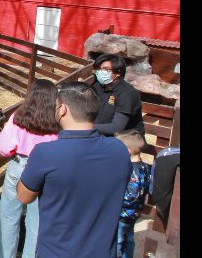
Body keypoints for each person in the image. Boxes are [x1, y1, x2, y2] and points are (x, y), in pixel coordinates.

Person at [18, 82, 131, 258]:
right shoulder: (120, 150)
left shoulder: (45, 153)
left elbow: (24, 196)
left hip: (55, 252)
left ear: (62, 110)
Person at [0, 79, 59, 258]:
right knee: (36, 222)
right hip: (45, 171)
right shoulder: (56, 122)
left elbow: (5, 149)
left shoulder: (19, 116)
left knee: (8, 216)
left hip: (19, 166)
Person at [114, 129, 151, 258]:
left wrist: (114, 199)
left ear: (128, 150)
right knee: (129, 238)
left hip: (123, 214)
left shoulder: (131, 170)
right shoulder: (145, 167)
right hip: (135, 212)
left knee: (118, 241)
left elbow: (130, 196)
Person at [92, 53, 144, 136]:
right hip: (100, 135)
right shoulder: (97, 86)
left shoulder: (126, 93)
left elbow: (117, 127)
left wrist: (87, 127)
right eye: (99, 69)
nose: (101, 72)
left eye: (106, 69)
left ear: (118, 73)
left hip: (126, 139)